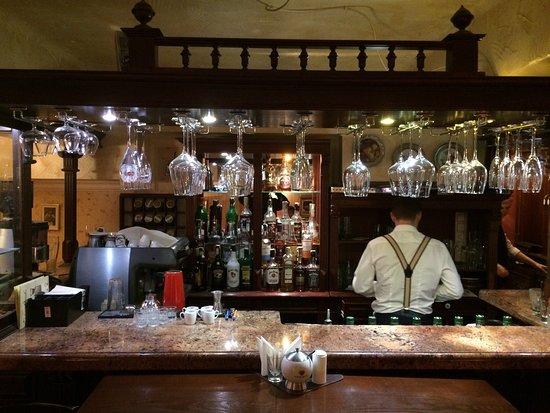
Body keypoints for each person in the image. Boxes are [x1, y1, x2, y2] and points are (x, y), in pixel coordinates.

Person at [353, 199, 463, 325]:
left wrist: (383, 288)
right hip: (421, 322)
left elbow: (361, 286)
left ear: (392, 216)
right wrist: (429, 292)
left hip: (385, 320)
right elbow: (455, 291)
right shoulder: (438, 247)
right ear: (419, 216)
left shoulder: (376, 245)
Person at [497, 197, 547, 278]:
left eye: (508, 208)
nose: (505, 211)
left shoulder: (498, 224)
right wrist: (496, 266)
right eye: (502, 208)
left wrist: (535, 264)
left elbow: (511, 249)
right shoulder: (486, 222)